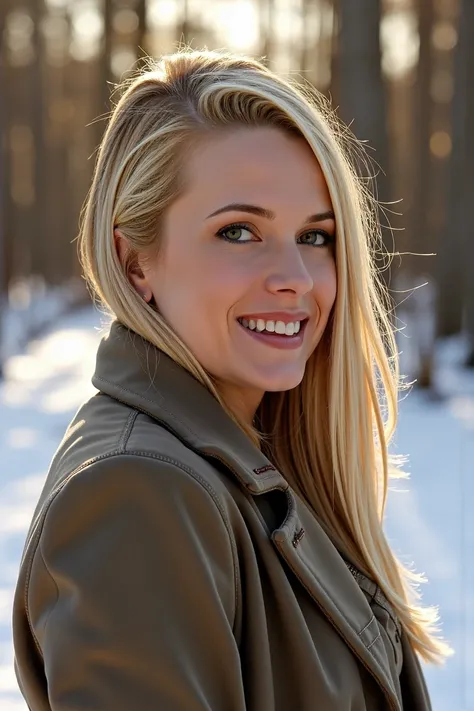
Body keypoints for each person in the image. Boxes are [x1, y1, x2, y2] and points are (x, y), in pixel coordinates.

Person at [12, 47, 452, 711]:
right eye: (240, 231)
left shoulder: (252, 455)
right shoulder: (140, 492)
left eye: (316, 236)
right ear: (136, 263)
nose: (296, 280)